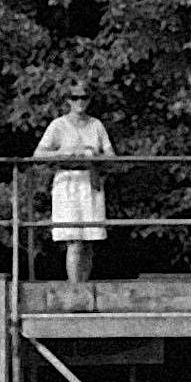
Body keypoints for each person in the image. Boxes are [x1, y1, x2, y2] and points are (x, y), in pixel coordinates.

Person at [32, 81, 115, 283]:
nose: (80, 102)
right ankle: (74, 287)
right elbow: (38, 155)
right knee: (74, 240)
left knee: (89, 241)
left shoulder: (96, 125)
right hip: (68, 181)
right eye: (75, 98)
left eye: (84, 98)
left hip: (89, 180)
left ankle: (83, 285)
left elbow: (111, 156)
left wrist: (94, 155)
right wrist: (64, 152)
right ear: (68, 100)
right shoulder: (58, 125)